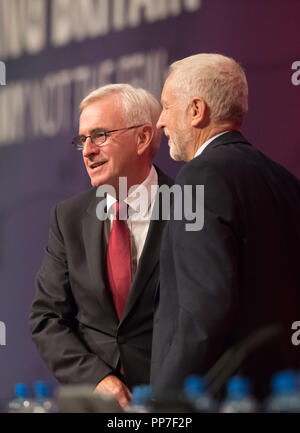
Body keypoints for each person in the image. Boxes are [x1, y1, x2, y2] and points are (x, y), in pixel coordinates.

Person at [150, 53, 300, 398]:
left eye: (167, 107)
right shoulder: (286, 181)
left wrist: (164, 405)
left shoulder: (197, 179)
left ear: (196, 111)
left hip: (215, 398)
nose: (160, 122)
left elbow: (204, 309)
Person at [29, 83, 173, 408]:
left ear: (142, 138)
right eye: (82, 139)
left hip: (170, 401)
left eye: (100, 135)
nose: (87, 150)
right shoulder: (69, 218)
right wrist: (94, 378)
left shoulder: (188, 206)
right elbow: (47, 317)